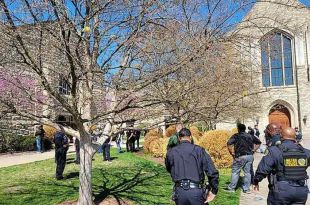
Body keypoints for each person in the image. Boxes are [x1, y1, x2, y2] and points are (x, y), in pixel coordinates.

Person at [253, 127, 310, 205]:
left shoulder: (274, 150)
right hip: (301, 190)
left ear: (281, 136)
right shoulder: (306, 152)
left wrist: (256, 180)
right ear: (294, 137)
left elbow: (264, 168)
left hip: (281, 190)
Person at [165, 128, 219, 205]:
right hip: (196, 192)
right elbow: (212, 172)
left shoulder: (171, 152)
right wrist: (214, 190)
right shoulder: (199, 150)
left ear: (179, 138)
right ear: (190, 137)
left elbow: (169, 168)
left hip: (180, 192)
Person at [226, 123, 261, 193]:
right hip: (249, 156)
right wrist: (254, 150)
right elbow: (259, 143)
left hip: (240, 156)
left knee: (235, 172)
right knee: (247, 173)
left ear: (238, 129)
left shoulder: (236, 136)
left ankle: (231, 188)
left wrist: (232, 153)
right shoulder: (250, 136)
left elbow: (229, 143)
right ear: (245, 129)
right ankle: (246, 189)